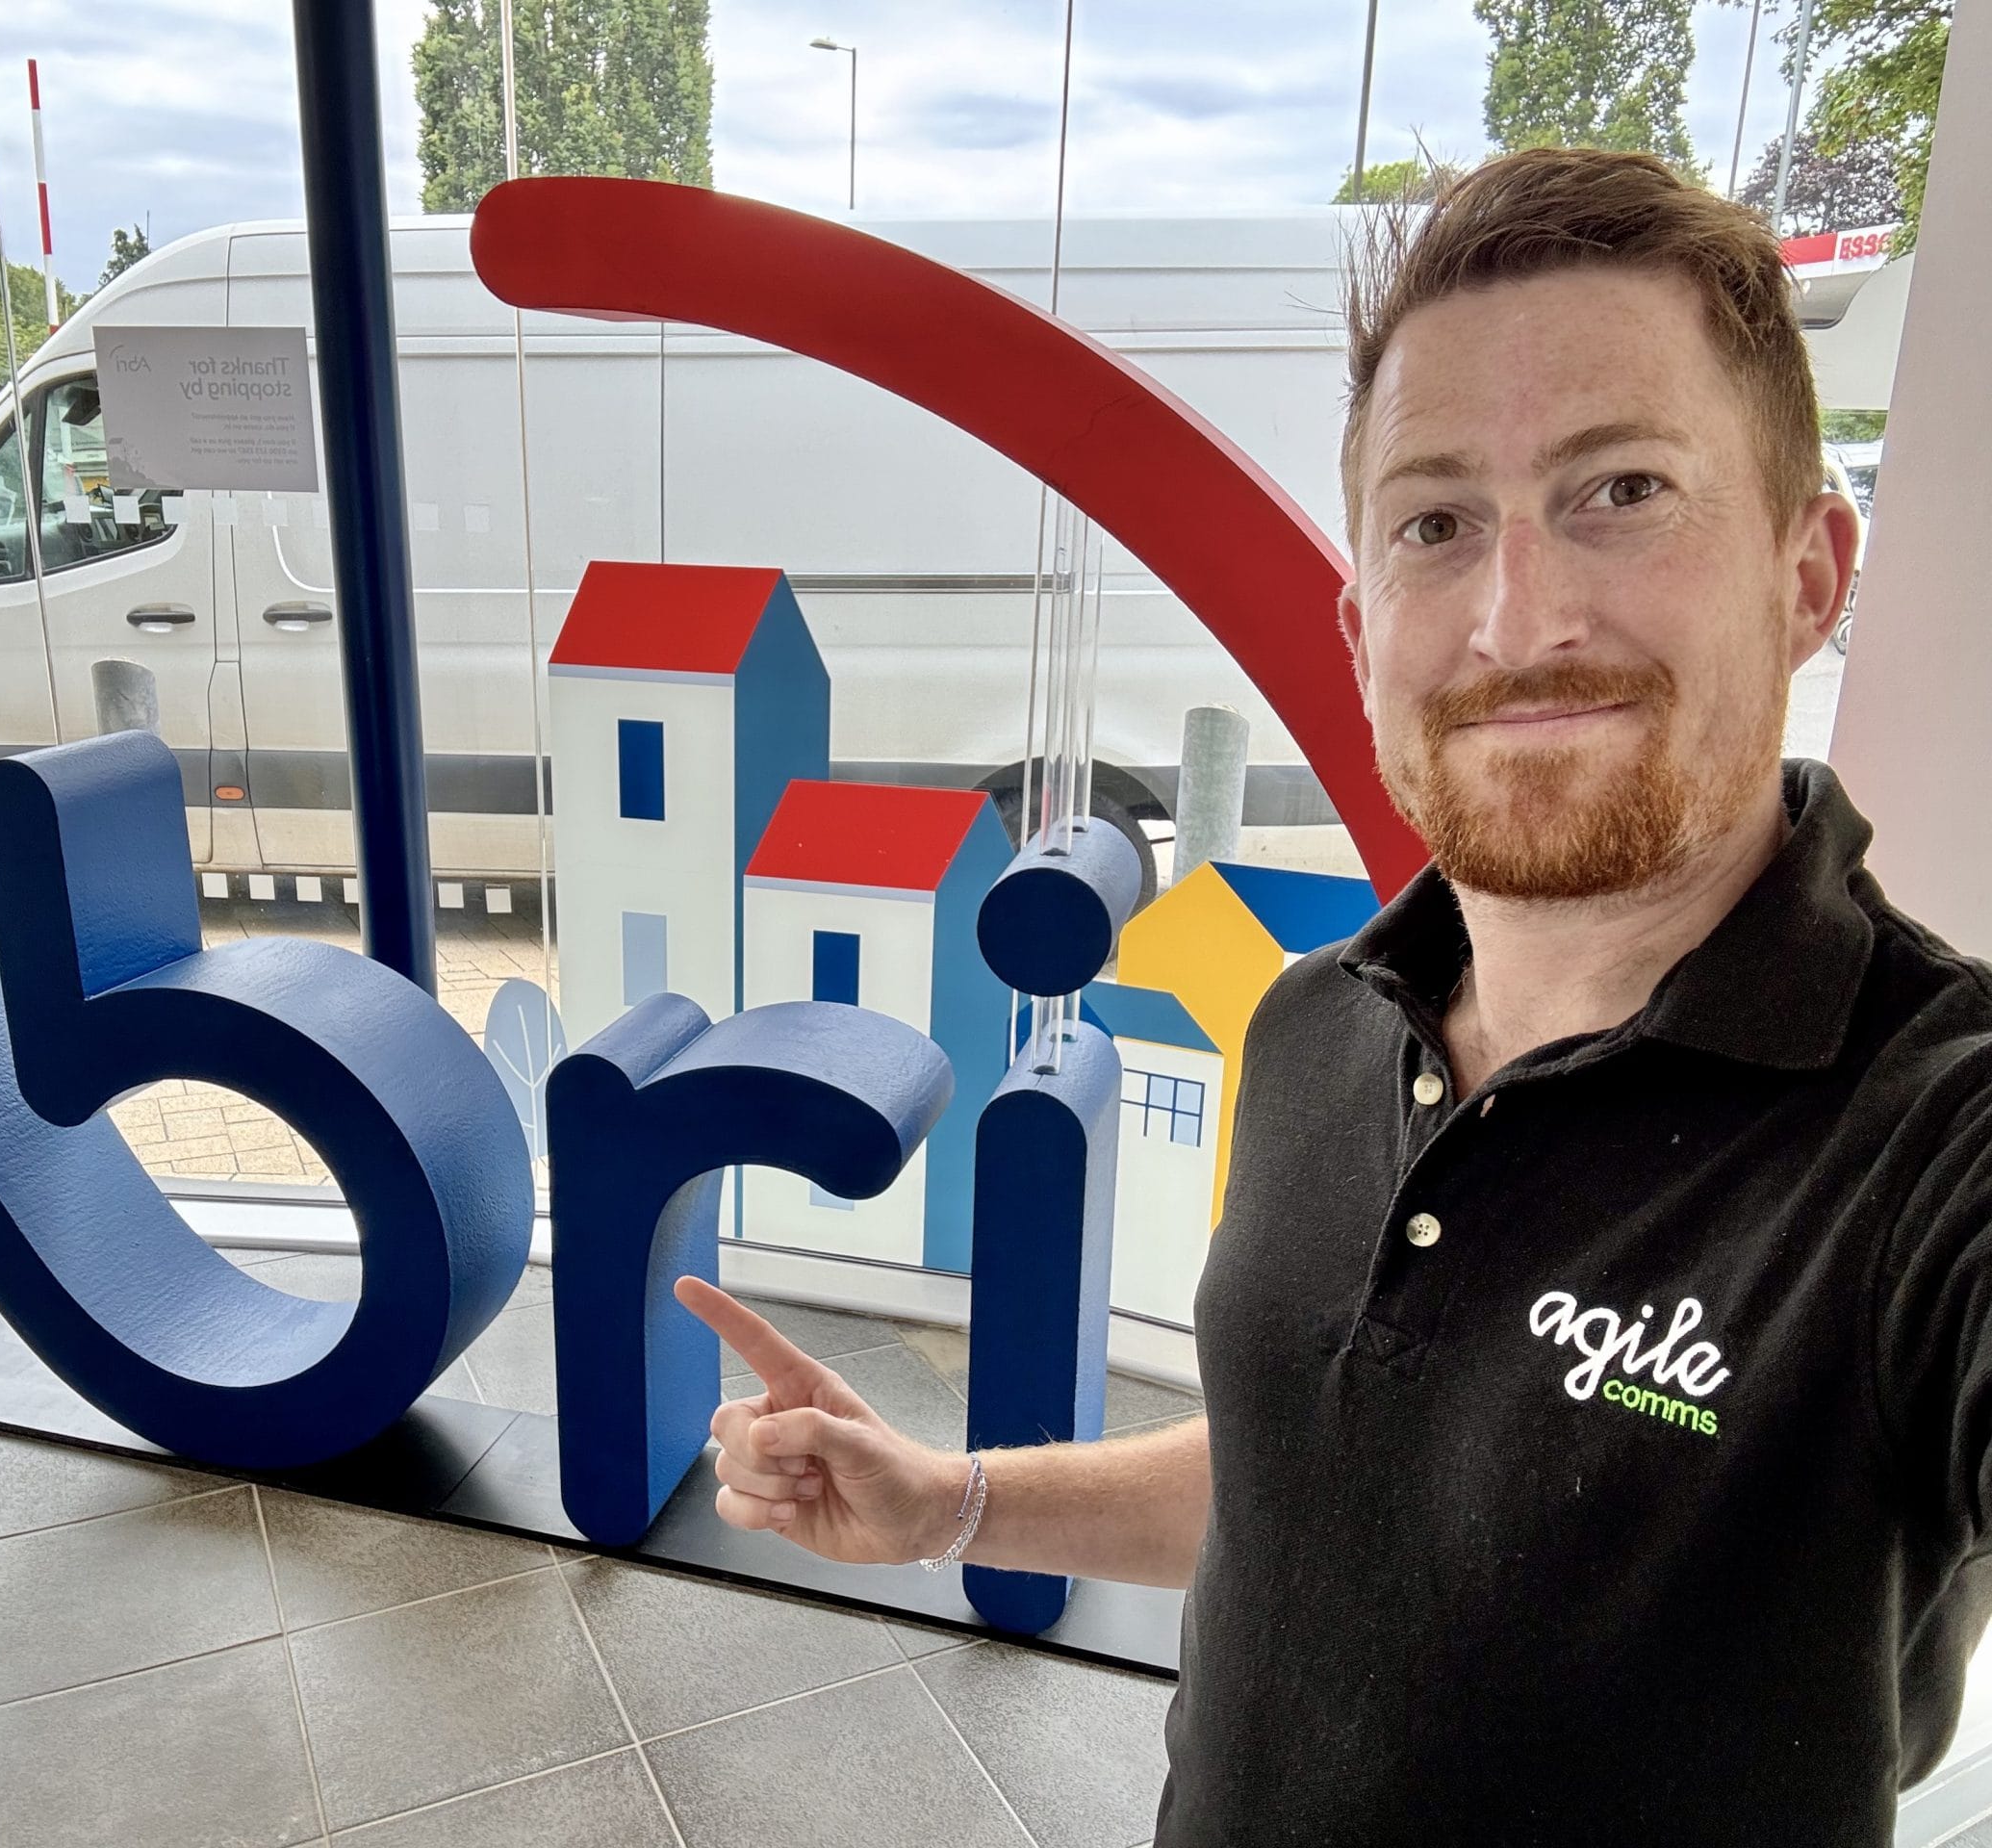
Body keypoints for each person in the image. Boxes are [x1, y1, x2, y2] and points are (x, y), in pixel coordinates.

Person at [677, 145, 1986, 1845]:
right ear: (1365, 620)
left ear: (1809, 573)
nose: (1521, 617)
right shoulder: (1314, 1025)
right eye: (1439, 522)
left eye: (1624, 490)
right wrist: (955, 1499)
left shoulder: (1929, 1133)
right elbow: (1318, 1465)